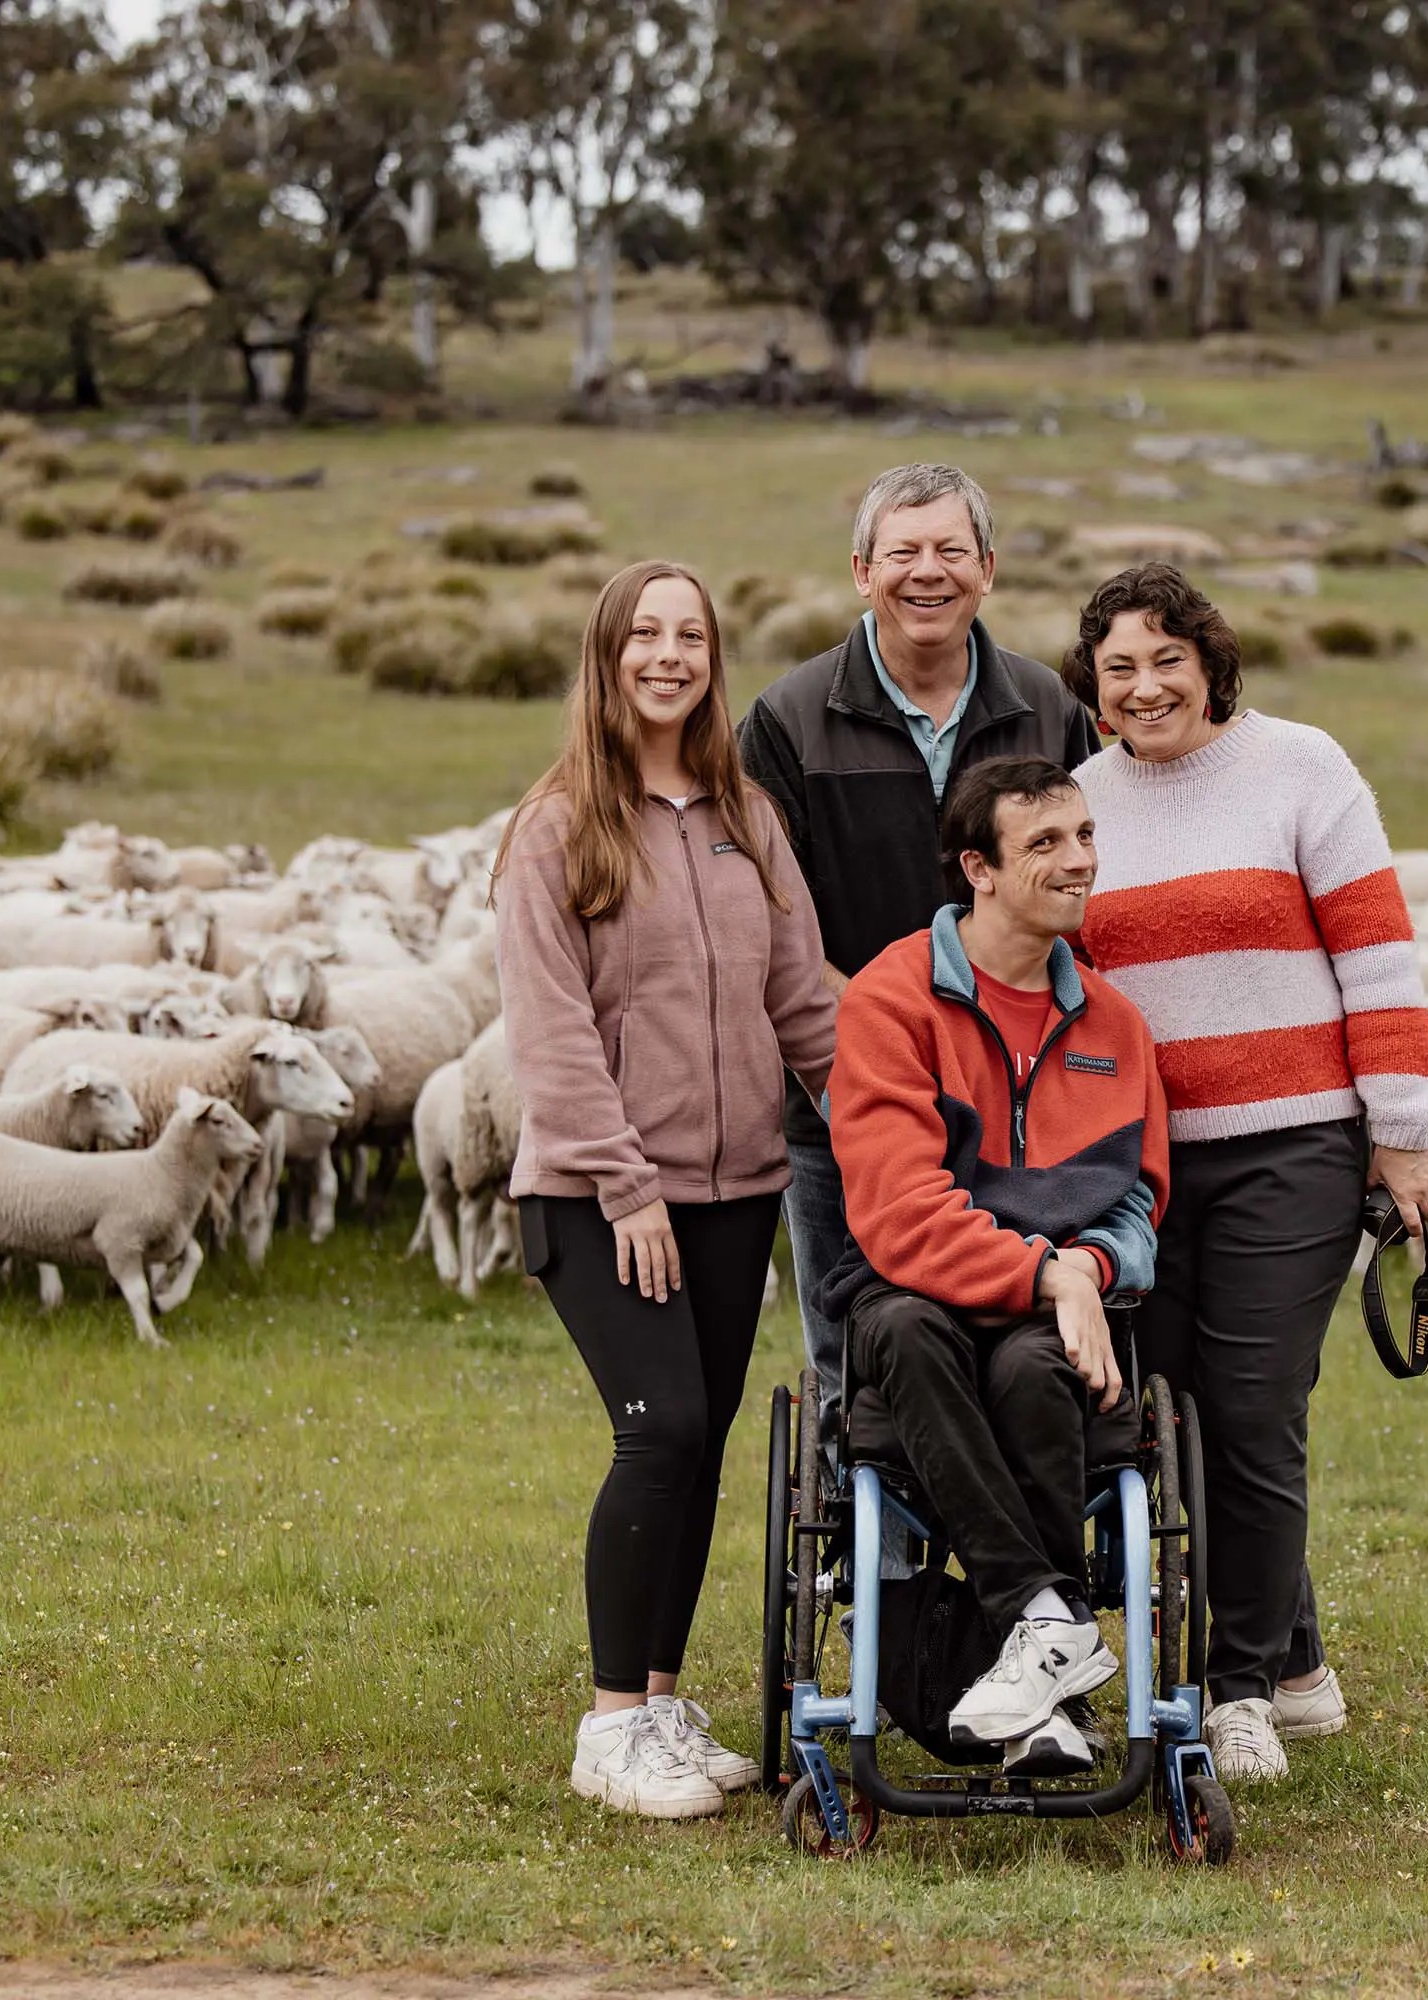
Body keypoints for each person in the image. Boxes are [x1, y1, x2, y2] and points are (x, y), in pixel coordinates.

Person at [1062, 563, 1428, 1785]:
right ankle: (1299, 1662)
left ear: (1210, 662)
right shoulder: (1078, 800)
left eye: (1165, 659)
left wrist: (1404, 1128)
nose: (1144, 685)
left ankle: (1235, 1693)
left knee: (1252, 1403)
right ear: (1095, 689)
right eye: (1119, 668)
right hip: (1145, 1159)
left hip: (1295, 1142)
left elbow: (1377, 953)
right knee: (1166, 1412)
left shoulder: (1301, 767)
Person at [494, 560, 840, 1819]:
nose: (668, 654)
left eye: (690, 633)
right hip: (599, 1195)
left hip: (737, 1187)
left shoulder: (746, 816)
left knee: (699, 1452)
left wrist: (909, 1106)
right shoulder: (557, 826)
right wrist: (626, 1184)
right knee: (664, 1430)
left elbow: (804, 1001)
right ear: (607, 654)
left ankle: (661, 1696)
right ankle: (609, 1726)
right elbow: (551, 1034)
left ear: (712, 659)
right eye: (644, 633)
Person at [819, 756, 1169, 1776]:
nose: (1081, 860)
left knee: (1029, 1367)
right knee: (901, 1327)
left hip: (1049, 1317)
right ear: (977, 866)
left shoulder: (1115, 1023)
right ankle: (1049, 1614)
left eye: (1087, 835)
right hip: (920, 1295)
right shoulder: (894, 1000)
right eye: (1047, 843)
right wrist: (1046, 1271)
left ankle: (1038, 1655)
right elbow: (896, 1210)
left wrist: (1091, 1268)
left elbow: (1141, 1199)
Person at [739, 463, 1102, 1434]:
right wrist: (877, 1053)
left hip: (1025, 1102)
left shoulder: (1048, 709)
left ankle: (1028, 1550)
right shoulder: (786, 719)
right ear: (862, 570)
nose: (925, 572)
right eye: (902, 552)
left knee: (1022, 1331)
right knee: (856, 1344)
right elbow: (771, 922)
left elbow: (1088, 887)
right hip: (841, 1100)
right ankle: (876, 1567)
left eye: (950, 550)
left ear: (987, 569)